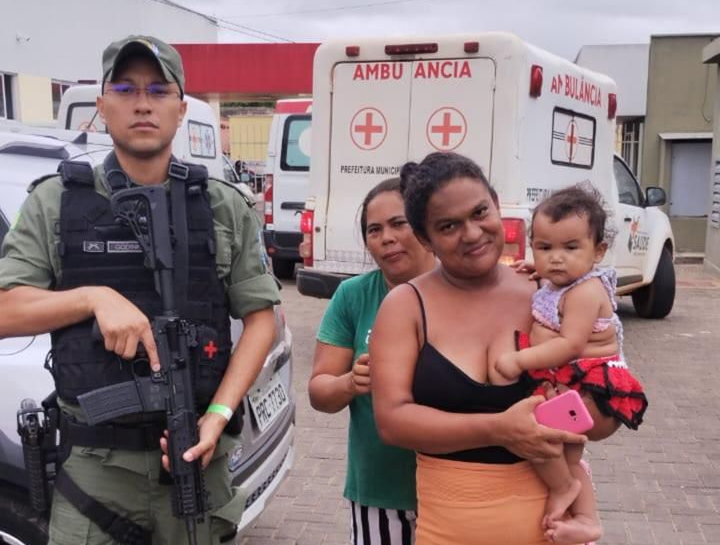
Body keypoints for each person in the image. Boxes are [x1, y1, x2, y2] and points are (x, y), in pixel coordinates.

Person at [0, 36, 279, 545]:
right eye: (125, 89)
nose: (143, 103)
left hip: (197, 458)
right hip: (95, 473)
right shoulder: (54, 202)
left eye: (158, 90)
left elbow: (262, 318)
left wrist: (218, 416)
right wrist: (92, 298)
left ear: (180, 108)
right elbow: (5, 311)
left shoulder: (222, 205)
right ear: (102, 106)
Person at [370, 152, 594, 545]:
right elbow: (392, 421)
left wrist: (591, 410)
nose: (472, 233)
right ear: (425, 238)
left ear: (496, 203)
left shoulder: (546, 295)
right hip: (447, 530)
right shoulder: (406, 307)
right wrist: (498, 429)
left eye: (479, 212)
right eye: (448, 226)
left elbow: (602, 407)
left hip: (553, 529)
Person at [494, 185, 648, 544]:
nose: (556, 259)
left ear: (598, 252)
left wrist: (518, 360)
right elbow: (552, 281)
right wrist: (538, 271)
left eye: (570, 247)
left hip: (592, 387)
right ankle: (585, 519)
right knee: (564, 450)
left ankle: (565, 491)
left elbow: (570, 345)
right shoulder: (560, 282)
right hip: (571, 384)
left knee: (538, 435)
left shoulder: (585, 291)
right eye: (545, 248)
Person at [308, 178, 436, 545]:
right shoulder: (353, 296)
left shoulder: (462, 288)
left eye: (399, 223)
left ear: (424, 224)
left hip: (455, 486)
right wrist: (350, 382)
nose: (386, 238)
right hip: (380, 491)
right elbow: (319, 391)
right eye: (374, 230)